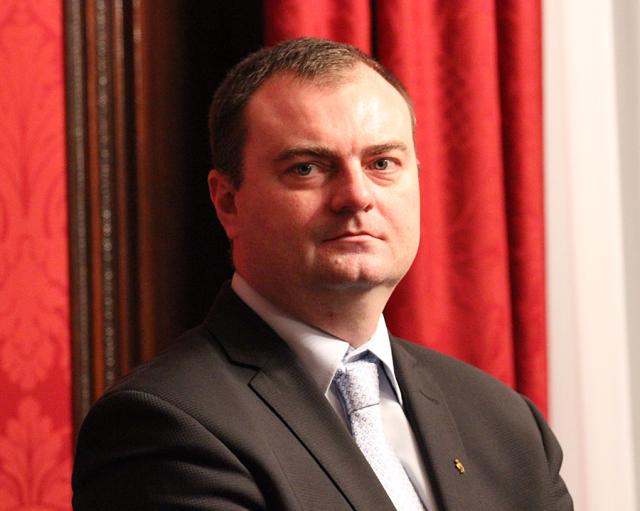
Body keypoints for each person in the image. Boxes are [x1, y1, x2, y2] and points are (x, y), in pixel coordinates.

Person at [72, 38, 573, 510]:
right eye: (308, 168)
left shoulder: (506, 422)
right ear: (228, 202)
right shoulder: (164, 424)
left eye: (382, 162)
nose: (356, 196)